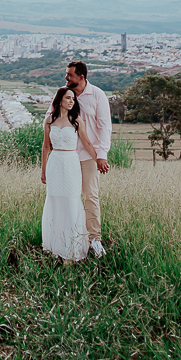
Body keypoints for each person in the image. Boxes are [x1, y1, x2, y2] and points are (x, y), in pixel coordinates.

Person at [41, 86, 98, 261]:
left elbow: (87, 143)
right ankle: (56, 247)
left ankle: (72, 249)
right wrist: (43, 171)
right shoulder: (49, 120)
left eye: (73, 99)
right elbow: (46, 146)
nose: (71, 101)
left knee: (72, 201)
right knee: (55, 201)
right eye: (68, 98)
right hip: (55, 163)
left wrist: (99, 160)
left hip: (71, 163)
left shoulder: (77, 120)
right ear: (59, 100)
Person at [62, 60, 112, 258]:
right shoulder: (63, 93)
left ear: (81, 77)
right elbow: (50, 117)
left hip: (90, 155)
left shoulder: (98, 95)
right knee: (68, 197)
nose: (66, 78)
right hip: (67, 155)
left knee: (91, 196)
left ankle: (94, 239)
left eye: (70, 75)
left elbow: (105, 127)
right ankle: (70, 236)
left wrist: (102, 156)